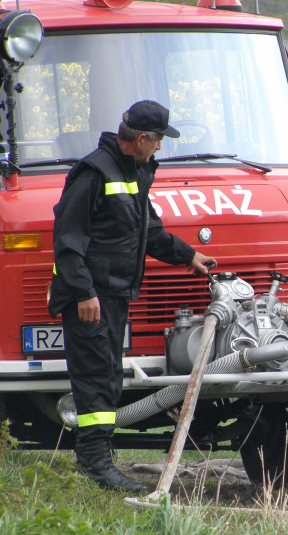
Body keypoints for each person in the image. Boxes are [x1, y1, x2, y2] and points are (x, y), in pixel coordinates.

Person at [48, 100, 216, 492]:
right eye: (157, 140)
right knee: (96, 378)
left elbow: (149, 233)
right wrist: (84, 293)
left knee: (107, 376)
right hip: (91, 299)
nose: (160, 147)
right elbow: (68, 241)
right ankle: (96, 465)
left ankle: (98, 460)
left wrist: (189, 256)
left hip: (111, 296)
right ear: (141, 139)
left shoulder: (133, 173)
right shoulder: (94, 173)